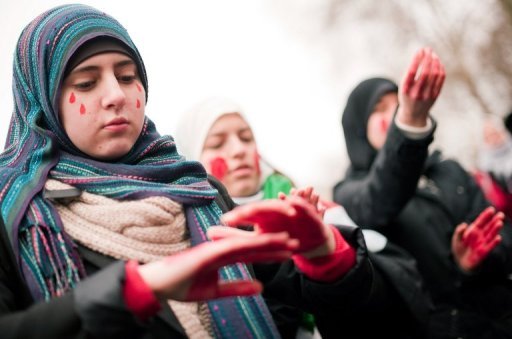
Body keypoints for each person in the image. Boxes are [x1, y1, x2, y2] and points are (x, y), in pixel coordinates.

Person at [0, 4, 422, 339]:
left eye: (128, 76)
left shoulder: (196, 187)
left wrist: (327, 259)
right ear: (41, 102)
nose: (116, 95)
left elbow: (306, 301)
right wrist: (128, 294)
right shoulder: (12, 213)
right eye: (86, 83)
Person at [175, 97, 432, 338]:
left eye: (246, 137)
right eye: (218, 143)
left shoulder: (314, 207)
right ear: (193, 157)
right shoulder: (188, 230)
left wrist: (327, 255)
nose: (239, 150)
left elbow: (379, 290)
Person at [333, 48, 512, 338]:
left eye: (397, 103)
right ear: (357, 128)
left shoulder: (449, 170)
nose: (393, 113)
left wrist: (476, 261)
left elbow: (504, 235)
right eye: (379, 108)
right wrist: (409, 125)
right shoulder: (349, 193)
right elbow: (380, 200)